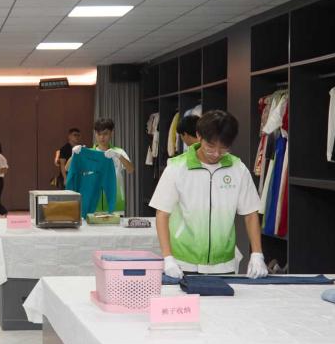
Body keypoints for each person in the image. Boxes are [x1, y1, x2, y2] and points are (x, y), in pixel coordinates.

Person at [150, 110, 268, 279]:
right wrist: (168, 258)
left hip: (224, 263)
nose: (217, 154)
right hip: (183, 263)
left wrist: (257, 253)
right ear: (199, 136)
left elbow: (250, 213)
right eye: (211, 147)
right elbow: (162, 214)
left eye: (223, 148)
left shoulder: (238, 169)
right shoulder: (177, 168)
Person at [68, 118, 135, 212]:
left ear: (111, 133)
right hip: (92, 202)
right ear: (95, 133)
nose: (102, 137)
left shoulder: (119, 151)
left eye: (105, 134)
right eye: (99, 134)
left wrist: (119, 156)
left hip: (115, 200)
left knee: (116, 221)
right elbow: (67, 168)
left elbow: (131, 169)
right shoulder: (89, 153)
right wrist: (74, 155)